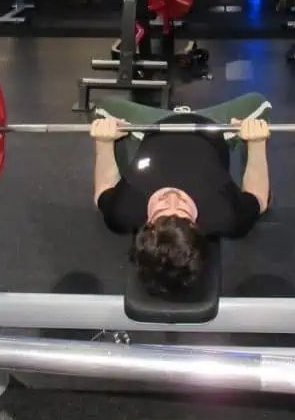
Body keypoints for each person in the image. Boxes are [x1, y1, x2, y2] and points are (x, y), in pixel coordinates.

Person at [90, 93, 273, 298]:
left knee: (103, 111)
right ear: (197, 226)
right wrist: (256, 143)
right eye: (183, 210)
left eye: (161, 210)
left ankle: (119, 141)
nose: (172, 197)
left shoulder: (123, 210)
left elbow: (101, 193)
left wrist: (104, 142)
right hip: (212, 127)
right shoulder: (226, 214)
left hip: (153, 128)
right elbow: (258, 197)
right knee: (259, 104)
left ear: (146, 224)